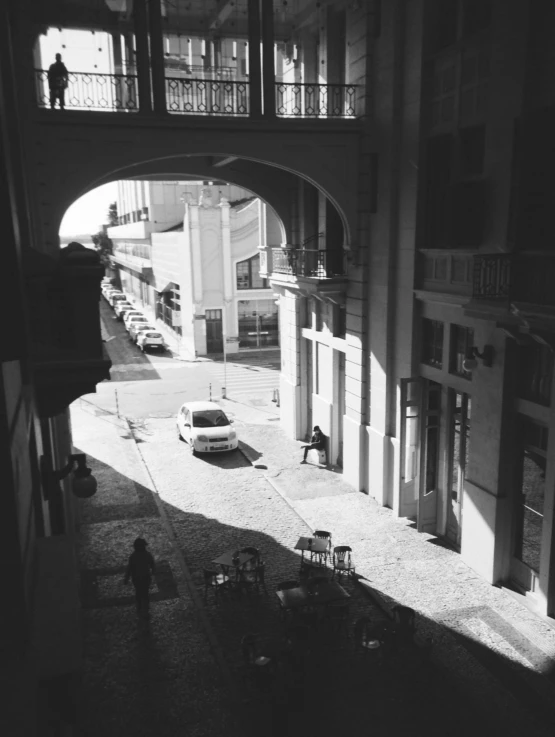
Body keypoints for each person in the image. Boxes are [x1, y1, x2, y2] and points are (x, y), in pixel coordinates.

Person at [124, 537, 155, 616]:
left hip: (137, 578)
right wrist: (154, 571)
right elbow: (152, 564)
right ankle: (145, 609)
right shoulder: (147, 555)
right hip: (145, 577)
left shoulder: (133, 556)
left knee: (139, 592)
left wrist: (126, 578)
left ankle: (140, 607)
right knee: (145, 593)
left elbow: (129, 568)